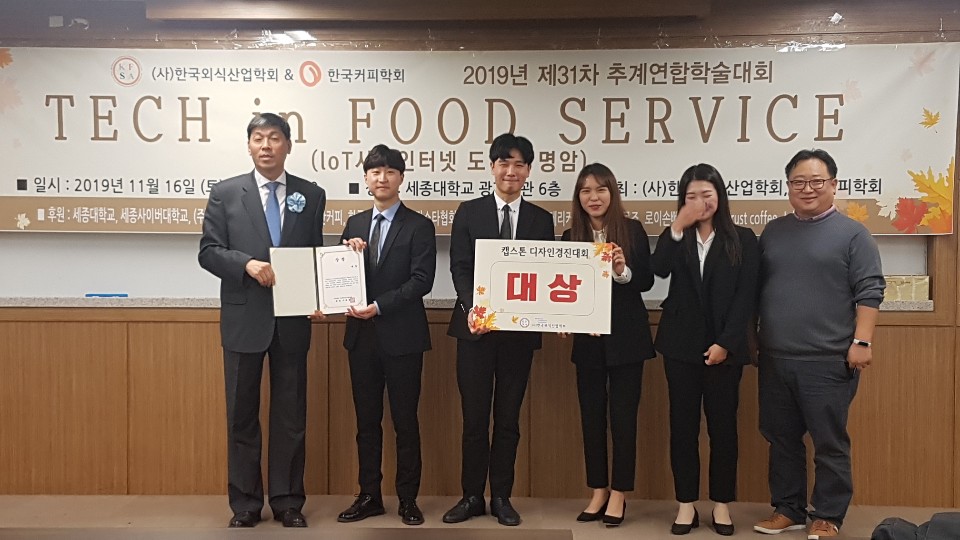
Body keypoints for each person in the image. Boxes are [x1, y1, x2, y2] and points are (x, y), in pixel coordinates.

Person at [198, 113, 326, 528]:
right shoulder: (225, 193)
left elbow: (313, 254)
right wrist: (246, 264)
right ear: (249, 145)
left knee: (291, 417)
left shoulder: (311, 194)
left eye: (274, 138)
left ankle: (288, 502)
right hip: (243, 319)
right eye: (258, 138)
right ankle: (246, 504)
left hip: (292, 319)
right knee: (241, 416)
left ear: (288, 145)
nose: (266, 145)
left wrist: (321, 293)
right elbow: (208, 251)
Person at [753, 149, 884, 540]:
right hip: (775, 356)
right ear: (788, 186)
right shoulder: (773, 231)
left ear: (833, 185)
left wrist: (862, 340)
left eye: (816, 181)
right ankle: (788, 509)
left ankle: (828, 515)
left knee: (829, 442)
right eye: (798, 182)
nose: (807, 189)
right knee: (781, 439)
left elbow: (870, 290)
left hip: (828, 359)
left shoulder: (854, 234)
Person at [442, 133, 555, 527]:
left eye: (519, 164)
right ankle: (471, 496)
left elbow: (546, 276)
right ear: (492, 167)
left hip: (518, 337)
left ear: (528, 171)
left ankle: (502, 497)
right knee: (474, 420)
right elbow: (459, 265)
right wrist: (470, 306)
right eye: (504, 163)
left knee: (508, 420)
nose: (511, 171)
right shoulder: (469, 211)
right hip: (475, 332)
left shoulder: (541, 219)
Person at [651, 163, 759, 537]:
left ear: (720, 196)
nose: (700, 201)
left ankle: (721, 504)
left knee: (723, 428)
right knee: (682, 427)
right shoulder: (676, 237)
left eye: (706, 194)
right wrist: (676, 227)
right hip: (680, 347)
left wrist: (726, 343)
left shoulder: (742, 238)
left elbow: (747, 296)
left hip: (725, 349)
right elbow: (657, 270)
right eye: (691, 196)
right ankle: (686, 504)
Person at [336, 144, 437, 526]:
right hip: (361, 339)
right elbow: (340, 275)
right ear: (366, 178)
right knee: (366, 423)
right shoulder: (354, 225)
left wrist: (378, 306)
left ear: (401, 178)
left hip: (403, 338)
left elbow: (422, 281)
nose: (382, 178)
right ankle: (369, 496)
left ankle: (408, 499)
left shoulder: (419, 225)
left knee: (406, 422)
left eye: (390, 171)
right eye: (375, 172)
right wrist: (348, 254)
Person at [561, 163, 655, 528]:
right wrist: (563, 320)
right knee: (592, 418)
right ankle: (598, 489)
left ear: (612, 193)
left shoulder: (632, 230)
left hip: (627, 341)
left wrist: (621, 271)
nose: (594, 197)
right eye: (586, 190)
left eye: (600, 189)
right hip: (588, 343)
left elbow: (645, 281)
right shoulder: (570, 236)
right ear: (578, 197)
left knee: (623, 419)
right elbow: (563, 290)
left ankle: (619, 492)